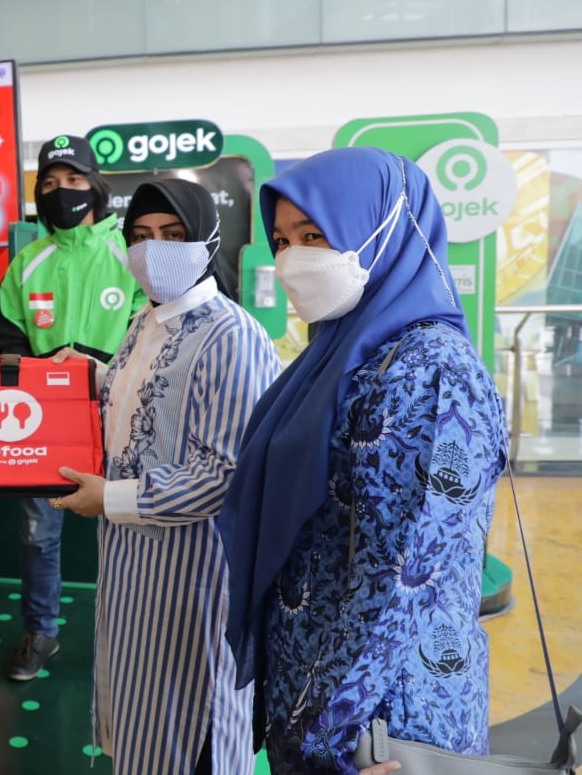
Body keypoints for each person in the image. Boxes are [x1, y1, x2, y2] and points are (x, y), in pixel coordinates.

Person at [217, 147, 507, 775]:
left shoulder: (429, 372)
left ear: (385, 227)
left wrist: (333, 739)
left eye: (314, 235)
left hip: (383, 725)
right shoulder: (339, 354)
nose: (291, 259)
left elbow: (406, 577)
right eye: (282, 241)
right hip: (316, 698)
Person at [52, 180, 280, 774]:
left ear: (207, 241)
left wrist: (110, 498)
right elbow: (156, 401)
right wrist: (97, 376)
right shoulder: (144, 322)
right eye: (141, 236)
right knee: (142, 720)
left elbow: (226, 474)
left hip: (192, 577)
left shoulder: (231, 336)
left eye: (173, 235)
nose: (154, 250)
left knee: (191, 727)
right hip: (132, 568)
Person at [0, 134, 145, 681]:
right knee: (39, 533)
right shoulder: (26, 262)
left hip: (121, 417)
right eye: (51, 183)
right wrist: (44, 374)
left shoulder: (129, 255)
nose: (63, 191)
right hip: (44, 422)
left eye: (75, 180)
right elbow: (6, 341)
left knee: (129, 527)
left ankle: (134, 639)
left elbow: (149, 336)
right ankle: (41, 632)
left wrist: (93, 365)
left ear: (95, 186)